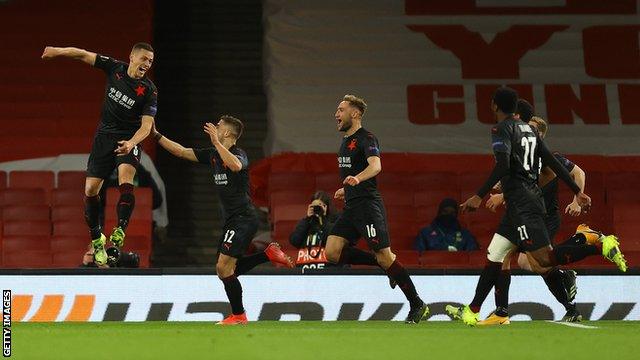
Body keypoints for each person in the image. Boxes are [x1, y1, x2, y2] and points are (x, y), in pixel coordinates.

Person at [446, 87, 626, 326]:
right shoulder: (529, 136)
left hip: (525, 206)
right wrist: (577, 192)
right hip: (522, 205)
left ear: (498, 107)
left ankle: (592, 243)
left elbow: (512, 166)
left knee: (542, 261)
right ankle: (482, 310)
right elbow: (546, 162)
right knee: (497, 254)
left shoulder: (506, 130)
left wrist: (480, 196)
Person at [152, 115, 294, 325]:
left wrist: (217, 143)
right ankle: (268, 255)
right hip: (231, 220)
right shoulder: (212, 155)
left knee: (223, 269)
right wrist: (156, 136)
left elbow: (236, 166)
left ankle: (239, 315)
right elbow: (181, 151)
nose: (215, 127)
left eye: (219, 126)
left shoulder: (238, 153)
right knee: (227, 270)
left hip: (244, 217)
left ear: (227, 133)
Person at [41, 43, 158, 266]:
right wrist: (57, 51)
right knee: (90, 191)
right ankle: (96, 237)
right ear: (132, 57)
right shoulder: (114, 68)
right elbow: (83, 54)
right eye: (143, 59)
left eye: (150, 61)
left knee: (126, 180)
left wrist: (131, 142)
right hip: (104, 138)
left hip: (129, 138)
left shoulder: (149, 90)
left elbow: (146, 127)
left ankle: (120, 230)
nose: (147, 64)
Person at [324, 94, 429, 324]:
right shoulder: (344, 142)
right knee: (331, 252)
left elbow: (376, 166)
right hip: (352, 206)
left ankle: (417, 303)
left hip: (368, 206)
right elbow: (354, 174)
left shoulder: (367, 138)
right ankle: (384, 267)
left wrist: (357, 179)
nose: (336, 114)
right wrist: (347, 189)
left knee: (385, 256)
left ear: (356, 113)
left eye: (341, 110)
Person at [482, 114, 596, 324]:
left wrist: (575, 199)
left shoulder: (549, 159)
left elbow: (578, 173)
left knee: (530, 261)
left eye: (533, 130)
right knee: (518, 260)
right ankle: (504, 311)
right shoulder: (521, 157)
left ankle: (584, 243)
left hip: (545, 218)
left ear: (541, 135)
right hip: (524, 216)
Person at [289, 191, 338, 270]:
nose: (316, 208)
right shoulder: (306, 223)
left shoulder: (334, 223)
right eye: (313, 206)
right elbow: (294, 241)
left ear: (327, 207)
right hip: (305, 272)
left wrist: (324, 220)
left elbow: (333, 240)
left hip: (327, 273)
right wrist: (307, 219)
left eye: (320, 206)